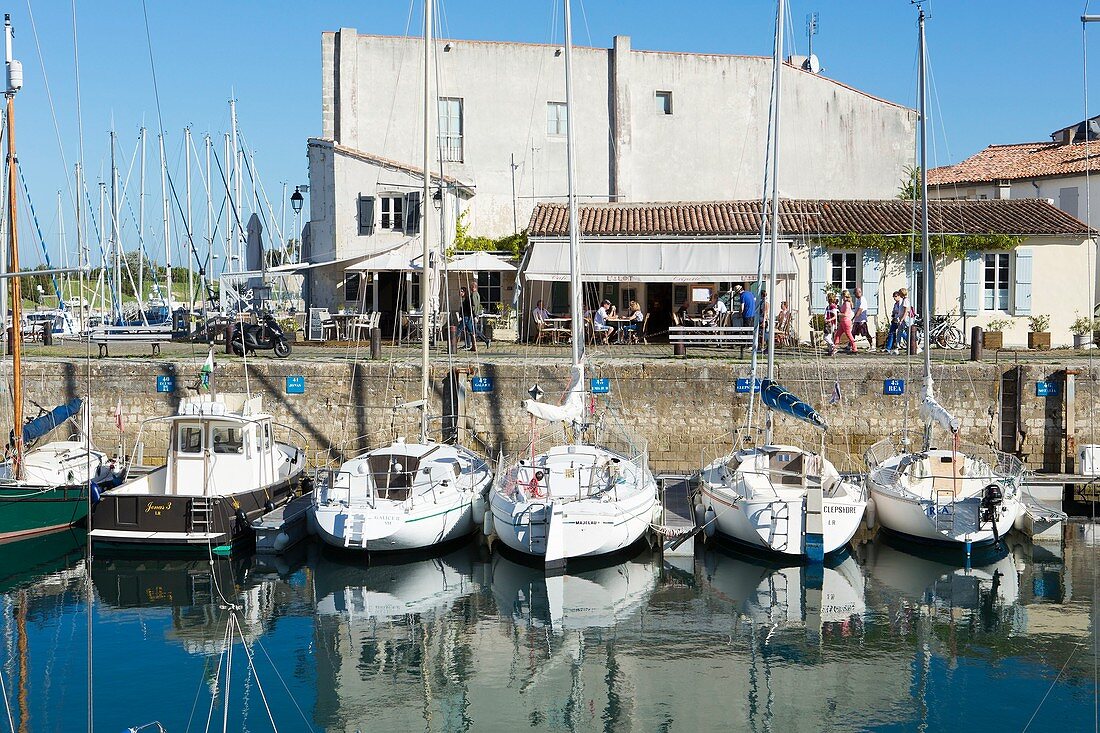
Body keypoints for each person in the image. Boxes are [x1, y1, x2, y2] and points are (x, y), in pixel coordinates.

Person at [852, 287, 873, 351]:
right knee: (853, 333)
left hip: (861, 320)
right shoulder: (858, 300)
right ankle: (850, 345)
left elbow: (860, 310)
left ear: (858, 292)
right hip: (857, 320)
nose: (854, 295)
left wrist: (854, 318)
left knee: (866, 333)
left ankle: (872, 345)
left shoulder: (862, 299)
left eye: (855, 293)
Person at [838, 289, 858, 354]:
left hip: (846, 322)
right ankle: (834, 348)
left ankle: (855, 349)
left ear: (844, 296)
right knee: (837, 335)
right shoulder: (845, 303)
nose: (842, 297)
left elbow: (846, 314)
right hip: (842, 321)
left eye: (842, 296)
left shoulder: (847, 303)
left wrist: (838, 313)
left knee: (849, 335)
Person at [823, 292, 839, 356]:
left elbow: (835, 316)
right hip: (827, 323)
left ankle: (833, 347)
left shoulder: (833, 306)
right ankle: (830, 351)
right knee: (829, 337)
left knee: (826, 337)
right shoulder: (828, 306)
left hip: (830, 324)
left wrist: (829, 320)